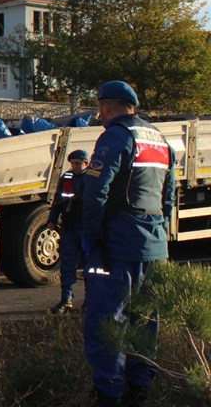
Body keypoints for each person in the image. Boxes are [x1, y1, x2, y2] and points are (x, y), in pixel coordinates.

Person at [82, 81, 175, 407]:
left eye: (100, 109)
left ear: (107, 107)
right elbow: (169, 197)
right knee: (146, 322)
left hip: (118, 247)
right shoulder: (161, 140)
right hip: (154, 247)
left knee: (108, 320)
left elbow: (95, 192)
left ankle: (109, 393)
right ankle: (140, 390)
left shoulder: (116, 136)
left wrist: (93, 237)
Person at [46, 149, 91, 314]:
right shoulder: (67, 177)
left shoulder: (91, 177)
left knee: (89, 266)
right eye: (73, 163)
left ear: (86, 163)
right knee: (67, 265)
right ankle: (66, 300)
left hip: (86, 228)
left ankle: (89, 300)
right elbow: (58, 200)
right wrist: (52, 219)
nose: (75, 166)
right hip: (69, 226)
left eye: (78, 163)